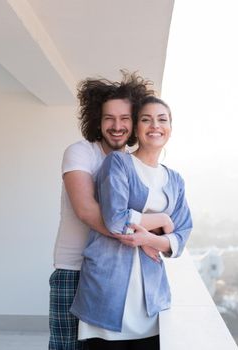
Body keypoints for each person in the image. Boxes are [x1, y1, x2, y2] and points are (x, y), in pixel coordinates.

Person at [70, 96, 193, 350]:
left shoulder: (175, 180)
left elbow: (182, 235)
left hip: (150, 300)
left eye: (162, 119)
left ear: (170, 128)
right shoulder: (118, 163)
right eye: (146, 119)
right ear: (136, 128)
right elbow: (115, 219)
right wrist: (162, 219)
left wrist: (148, 239)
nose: (155, 126)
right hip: (108, 292)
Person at [49, 72, 159, 350]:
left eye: (125, 118)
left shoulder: (130, 163)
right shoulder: (81, 152)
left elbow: (143, 213)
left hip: (112, 272)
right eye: (109, 118)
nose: (117, 126)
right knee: (66, 347)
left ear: (134, 123)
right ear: (97, 120)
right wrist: (140, 237)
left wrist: (153, 234)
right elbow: (87, 210)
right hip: (74, 269)